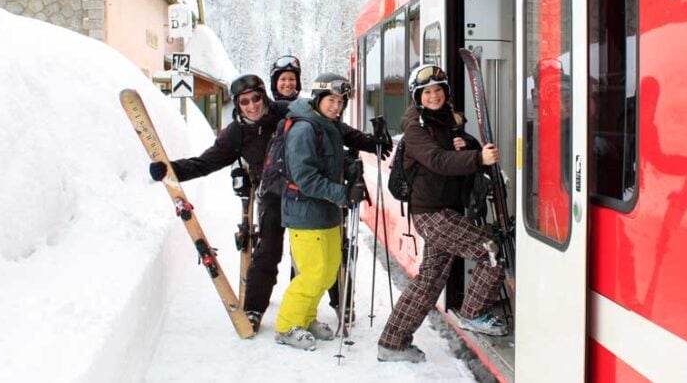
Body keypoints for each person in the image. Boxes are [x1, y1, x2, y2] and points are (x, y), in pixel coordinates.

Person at [148, 73, 387, 333]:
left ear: (264, 95)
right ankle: (254, 308)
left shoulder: (284, 112)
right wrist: (172, 170)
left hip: (305, 195)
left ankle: (342, 302)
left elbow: (332, 127)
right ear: (237, 104)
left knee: (326, 252)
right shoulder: (236, 134)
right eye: (244, 101)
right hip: (273, 194)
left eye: (256, 98)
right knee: (268, 251)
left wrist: (368, 142)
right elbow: (206, 162)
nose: (252, 105)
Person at [377, 65, 508, 363]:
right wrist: (477, 158)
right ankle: (474, 313)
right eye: (427, 92)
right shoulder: (416, 127)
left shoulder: (445, 121)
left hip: (445, 209)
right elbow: (437, 160)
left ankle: (392, 342)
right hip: (431, 213)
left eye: (438, 90)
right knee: (490, 250)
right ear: (417, 96)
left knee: (430, 280)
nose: (434, 95)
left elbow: (457, 151)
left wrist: (469, 146)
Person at [274, 73, 369, 351]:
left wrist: (351, 169)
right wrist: (343, 194)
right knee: (313, 273)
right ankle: (287, 326)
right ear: (317, 98)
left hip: (327, 213)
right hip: (305, 213)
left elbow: (329, 166)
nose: (337, 106)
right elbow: (305, 177)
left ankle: (306, 318)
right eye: (331, 100)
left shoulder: (327, 125)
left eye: (341, 101)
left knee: (328, 273)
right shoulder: (304, 129)